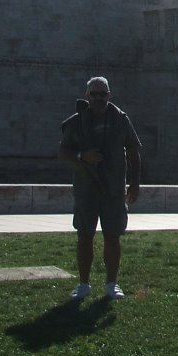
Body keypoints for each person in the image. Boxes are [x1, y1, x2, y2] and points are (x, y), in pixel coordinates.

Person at [59, 76, 142, 300]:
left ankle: (112, 284)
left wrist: (134, 183)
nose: (98, 98)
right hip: (86, 188)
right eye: (94, 94)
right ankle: (83, 283)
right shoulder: (76, 122)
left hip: (114, 188)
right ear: (87, 96)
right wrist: (81, 156)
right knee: (84, 235)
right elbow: (63, 151)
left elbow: (133, 151)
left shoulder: (120, 119)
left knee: (112, 235)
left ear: (109, 95)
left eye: (102, 94)